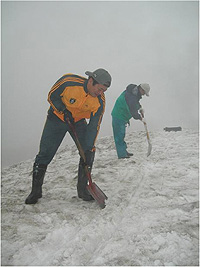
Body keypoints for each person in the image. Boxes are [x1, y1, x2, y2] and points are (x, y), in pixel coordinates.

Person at [25, 68, 112, 204]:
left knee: (88, 152)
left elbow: (94, 125)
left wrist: (87, 148)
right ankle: (35, 191)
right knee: (45, 153)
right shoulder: (68, 82)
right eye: (99, 89)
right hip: (57, 119)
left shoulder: (99, 101)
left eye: (103, 91)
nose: (100, 93)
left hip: (78, 123)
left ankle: (83, 190)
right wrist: (63, 110)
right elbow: (51, 96)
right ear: (91, 81)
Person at [111, 83, 150, 159]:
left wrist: (140, 108)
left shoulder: (134, 93)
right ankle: (122, 155)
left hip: (122, 116)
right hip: (119, 115)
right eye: (144, 93)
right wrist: (141, 118)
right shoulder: (132, 96)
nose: (144, 94)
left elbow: (135, 103)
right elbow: (133, 112)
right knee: (119, 135)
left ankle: (123, 151)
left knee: (121, 135)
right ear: (141, 89)